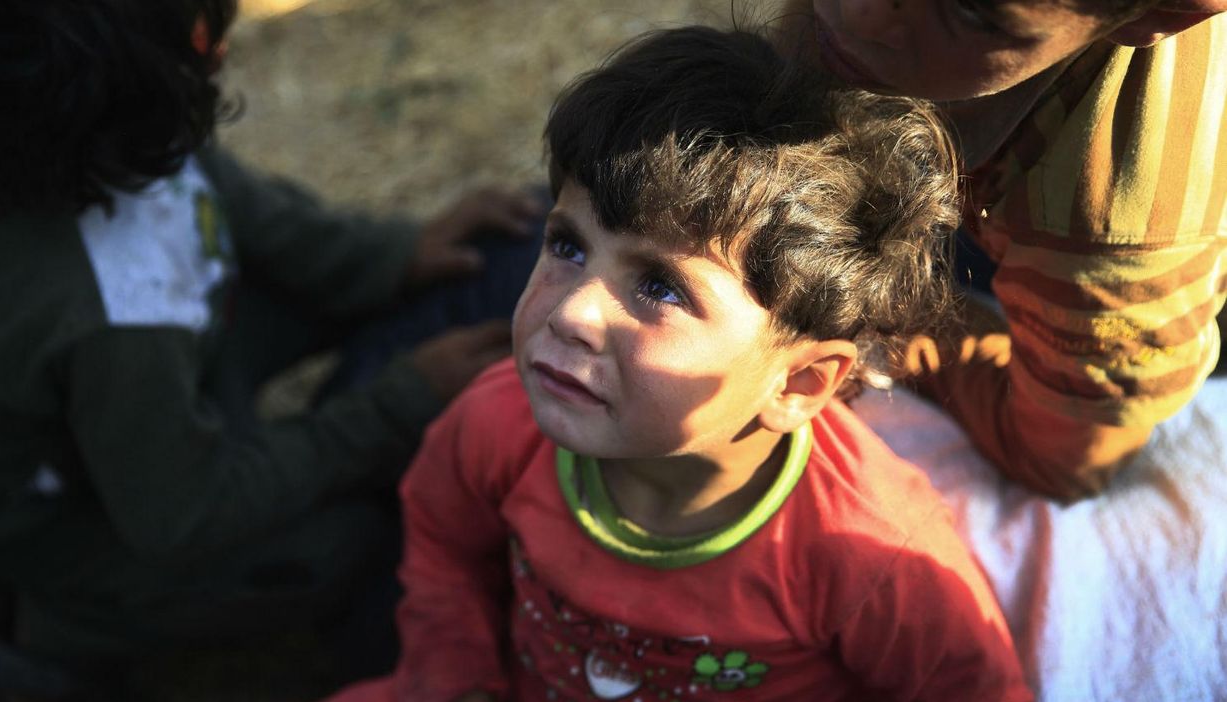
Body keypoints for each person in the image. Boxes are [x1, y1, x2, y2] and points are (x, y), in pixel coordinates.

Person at [326, 26, 1032, 702]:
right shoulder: (495, 417)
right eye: (567, 245)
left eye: (658, 286)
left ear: (796, 382)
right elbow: (443, 541)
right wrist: (455, 681)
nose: (570, 313)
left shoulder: (875, 560)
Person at [0, 0, 540, 688]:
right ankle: (49, 627)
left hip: (154, 383)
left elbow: (229, 201)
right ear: (192, 52)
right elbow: (184, 515)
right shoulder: (115, 320)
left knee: (463, 259)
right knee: (346, 547)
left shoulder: (80, 122)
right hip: (90, 507)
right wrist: (392, 408)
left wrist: (395, 255)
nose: (219, 42)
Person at [775, 0, 1227, 500]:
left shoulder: (1110, 242)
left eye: (973, 15)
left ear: (1161, 16)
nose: (855, 14)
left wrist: (882, 321)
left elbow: (1061, 461)